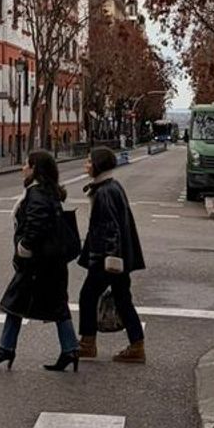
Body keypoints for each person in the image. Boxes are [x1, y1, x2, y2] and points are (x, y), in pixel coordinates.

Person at [0, 149, 80, 371]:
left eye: (26, 164)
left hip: (38, 264)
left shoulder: (37, 194)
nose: (22, 167)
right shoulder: (47, 191)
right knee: (54, 305)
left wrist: (25, 246)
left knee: (15, 304)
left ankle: (6, 349)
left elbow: (36, 223)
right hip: (50, 263)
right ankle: (69, 349)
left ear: (35, 169)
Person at [76, 144, 147, 361]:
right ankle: (137, 345)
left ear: (98, 165)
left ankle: (88, 343)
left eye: (89, 161)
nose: (86, 165)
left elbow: (110, 229)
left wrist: (107, 258)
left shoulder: (104, 192)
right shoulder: (111, 186)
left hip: (108, 259)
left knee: (87, 296)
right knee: (122, 298)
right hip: (118, 257)